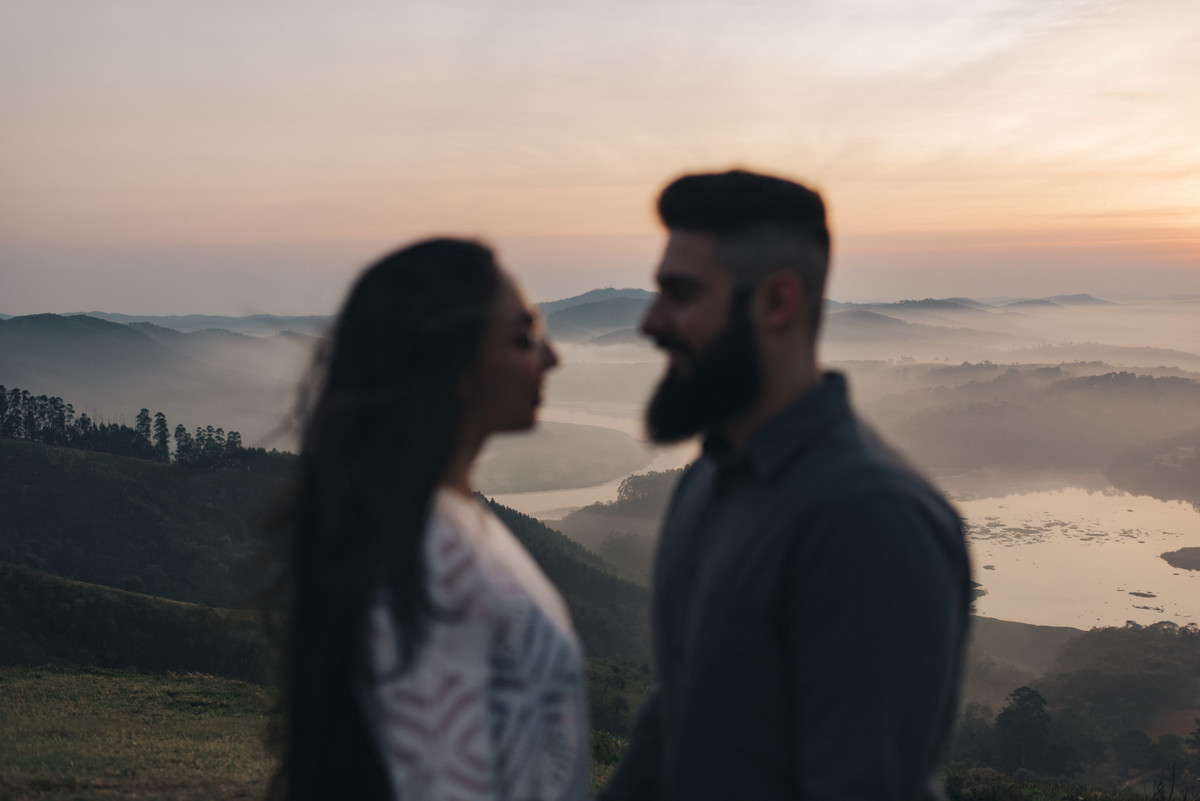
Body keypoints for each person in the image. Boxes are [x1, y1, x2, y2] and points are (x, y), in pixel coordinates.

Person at [599, 170, 971, 801]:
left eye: (681, 293)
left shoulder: (869, 518)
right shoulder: (710, 479)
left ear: (776, 302)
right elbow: (679, 725)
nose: (652, 321)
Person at [268, 238, 590, 801]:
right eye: (523, 337)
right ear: (457, 368)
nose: (551, 357)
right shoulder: (435, 565)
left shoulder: (423, 525)